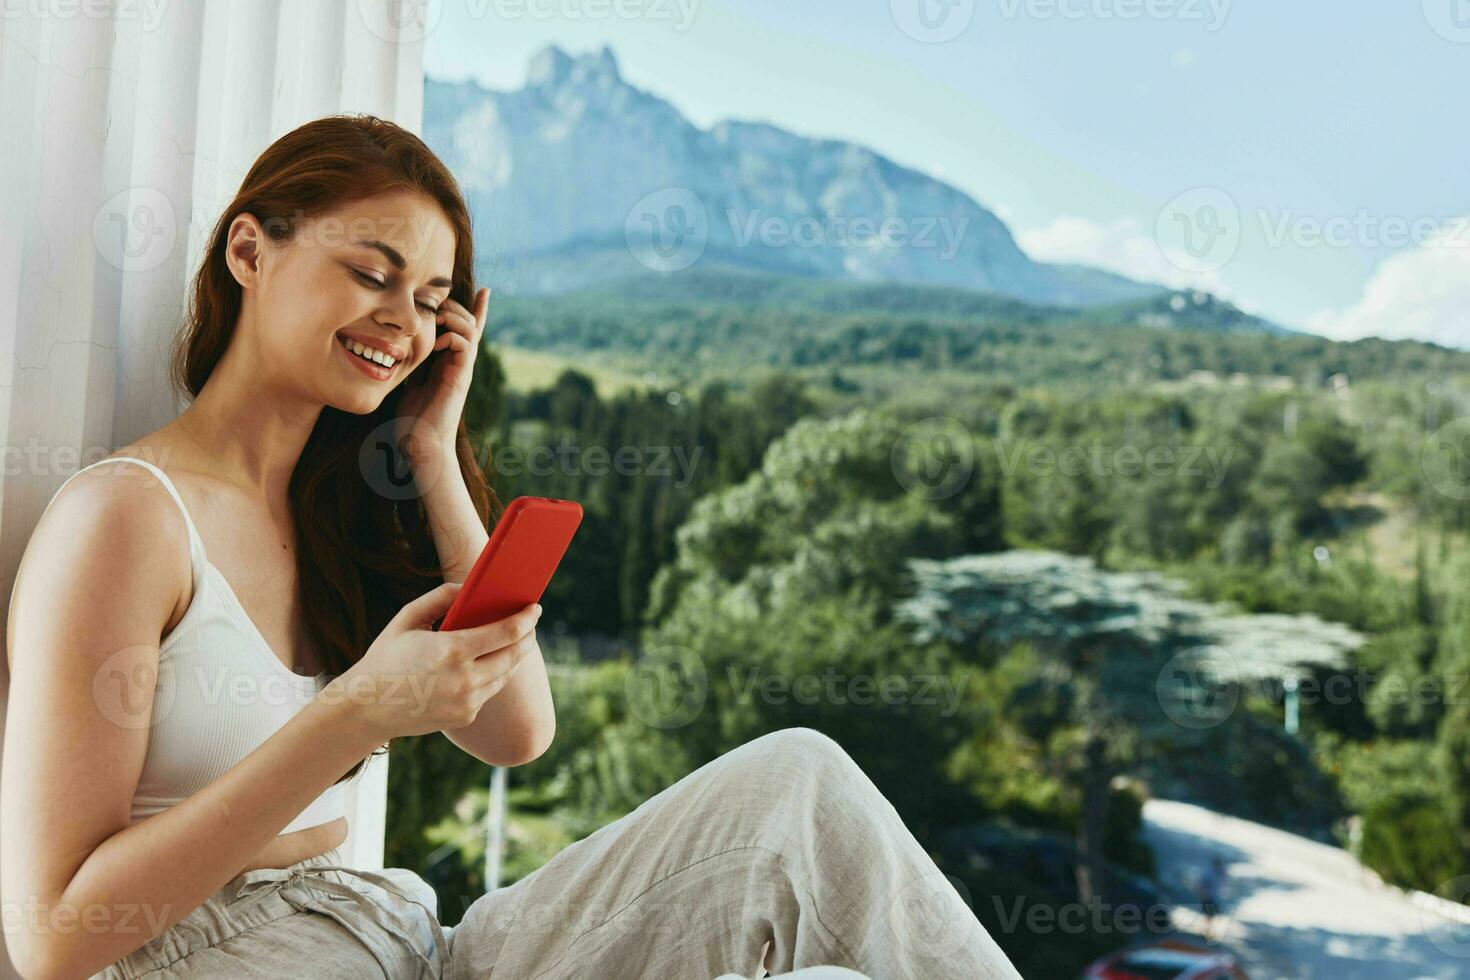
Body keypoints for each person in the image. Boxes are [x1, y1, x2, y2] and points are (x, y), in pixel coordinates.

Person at [1, 114, 1023, 980]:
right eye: (373, 272)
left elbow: (516, 729)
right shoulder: (127, 518)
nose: (401, 322)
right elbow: (49, 934)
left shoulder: (331, 513)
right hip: (250, 953)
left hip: (410, 944)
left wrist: (432, 454)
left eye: (432, 301)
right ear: (249, 252)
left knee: (797, 788)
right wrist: (354, 713)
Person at [1197, 856, 1228, 941]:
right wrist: (1202, 893)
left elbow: (1224, 880)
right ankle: (1206, 931)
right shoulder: (1208, 873)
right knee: (1209, 914)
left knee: (1211, 915)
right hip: (1208, 896)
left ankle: (1207, 931)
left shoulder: (1220, 872)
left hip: (1214, 897)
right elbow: (1202, 883)